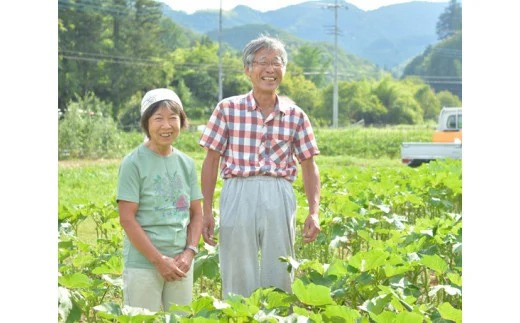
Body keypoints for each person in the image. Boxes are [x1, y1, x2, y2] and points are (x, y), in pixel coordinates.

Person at [199, 36, 321, 298]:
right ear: (247, 69)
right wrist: (206, 210)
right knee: (236, 266)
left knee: (280, 265)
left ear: (284, 70)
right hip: (237, 189)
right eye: (262, 62)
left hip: (279, 191)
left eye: (276, 63)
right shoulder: (227, 109)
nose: (270, 69)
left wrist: (314, 211)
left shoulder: (296, 115)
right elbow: (211, 162)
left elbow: (309, 165)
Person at [117, 88, 203, 311]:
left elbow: (196, 213)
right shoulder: (133, 163)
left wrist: (190, 251)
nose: (167, 125)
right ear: (146, 123)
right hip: (143, 264)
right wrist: (158, 260)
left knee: (180, 318)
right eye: (158, 119)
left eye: (173, 118)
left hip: (181, 263)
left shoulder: (187, 163)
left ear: (182, 121)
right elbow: (127, 219)